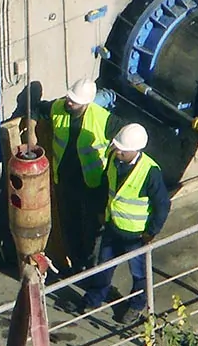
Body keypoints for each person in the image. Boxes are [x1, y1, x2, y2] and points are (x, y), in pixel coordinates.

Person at [81, 123, 172, 316]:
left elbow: (163, 204)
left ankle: (136, 306)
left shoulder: (150, 172)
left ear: (135, 150)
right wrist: (101, 211)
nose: (117, 152)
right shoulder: (115, 159)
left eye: (122, 150)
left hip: (136, 235)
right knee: (104, 266)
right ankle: (94, 299)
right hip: (113, 226)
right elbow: (107, 186)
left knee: (139, 273)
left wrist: (151, 232)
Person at [40, 79, 111, 279]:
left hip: (93, 185)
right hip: (66, 180)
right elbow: (41, 109)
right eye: (69, 98)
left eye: (74, 101)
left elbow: (124, 143)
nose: (69, 103)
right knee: (70, 226)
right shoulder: (58, 107)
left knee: (92, 228)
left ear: (87, 103)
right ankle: (77, 265)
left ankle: (92, 271)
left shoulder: (103, 119)